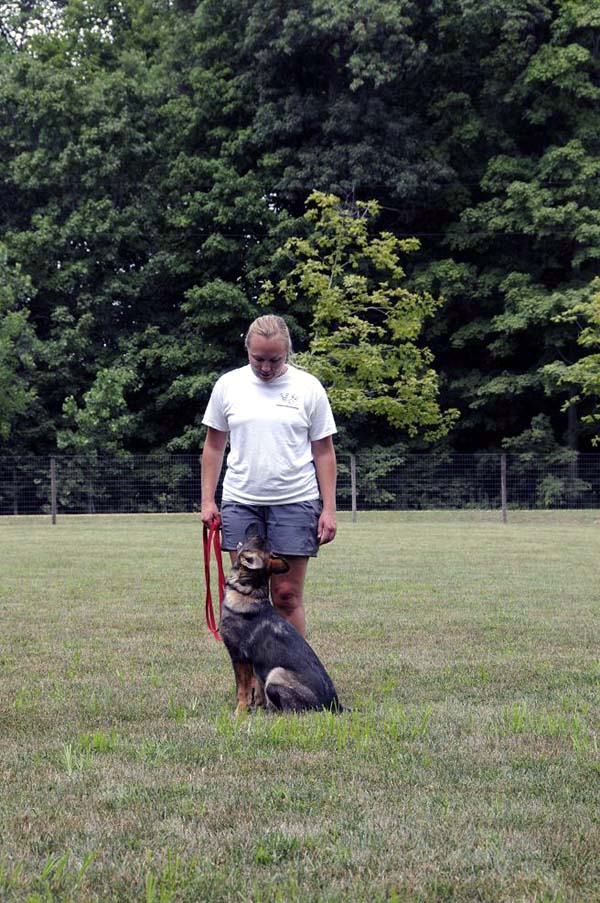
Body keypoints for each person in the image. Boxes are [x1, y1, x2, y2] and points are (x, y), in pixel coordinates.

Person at [200, 314, 337, 636]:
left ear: (287, 351)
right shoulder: (228, 386)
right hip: (241, 503)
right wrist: (208, 500)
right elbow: (214, 446)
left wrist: (328, 509)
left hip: (296, 503)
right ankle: (251, 684)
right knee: (248, 598)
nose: (265, 367)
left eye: (274, 359)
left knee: (286, 597)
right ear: (247, 350)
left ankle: (295, 679)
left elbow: (324, 451)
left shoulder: (308, 388)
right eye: (257, 358)